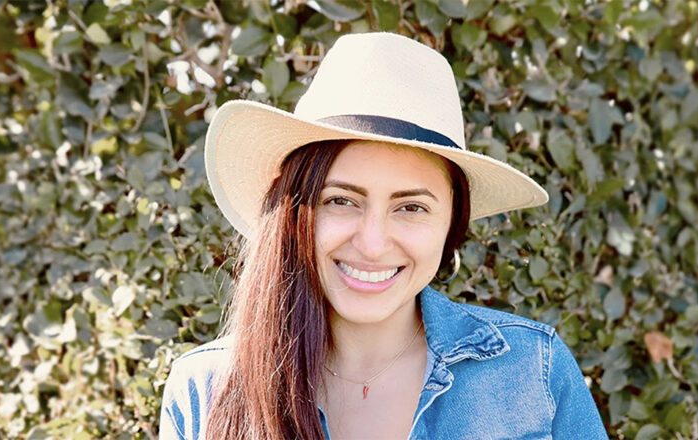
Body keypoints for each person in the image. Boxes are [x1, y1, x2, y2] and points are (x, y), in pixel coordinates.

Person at [159, 32, 607, 439]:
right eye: (341, 200)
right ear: (294, 211)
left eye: (411, 207)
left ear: (452, 223)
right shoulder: (204, 390)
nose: (372, 244)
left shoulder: (531, 373)